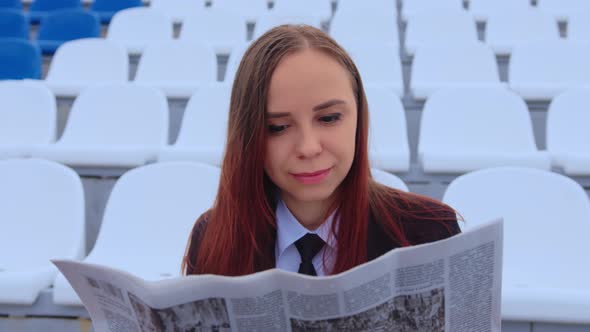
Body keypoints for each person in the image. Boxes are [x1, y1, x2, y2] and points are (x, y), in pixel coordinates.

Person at [182, 24, 460, 277]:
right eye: (277, 127)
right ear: (247, 136)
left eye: (328, 118)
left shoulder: (431, 231)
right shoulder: (211, 238)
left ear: (359, 119)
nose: (308, 148)